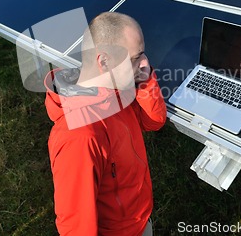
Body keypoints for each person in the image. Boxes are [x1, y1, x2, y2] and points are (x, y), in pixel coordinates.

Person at [44, 12, 167, 236]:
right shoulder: (80, 137)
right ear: (104, 61)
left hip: (138, 220)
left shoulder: (115, 91)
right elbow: (77, 228)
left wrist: (144, 77)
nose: (146, 62)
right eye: (136, 57)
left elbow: (153, 121)